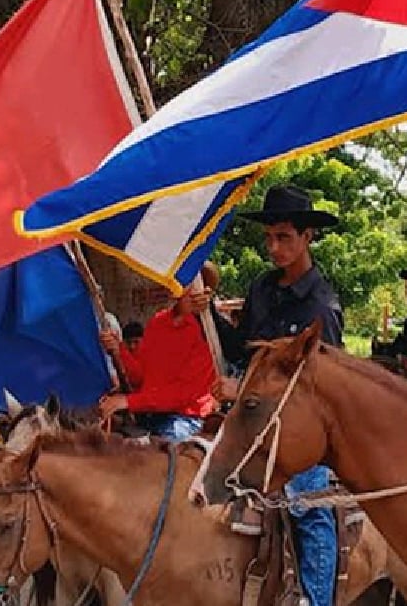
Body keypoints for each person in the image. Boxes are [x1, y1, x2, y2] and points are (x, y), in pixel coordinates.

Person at [214, 184, 341, 606]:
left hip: (300, 430)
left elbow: (324, 383)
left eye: (284, 237)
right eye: (269, 237)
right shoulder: (262, 289)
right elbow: (241, 347)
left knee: (308, 506)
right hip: (254, 422)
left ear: (307, 237)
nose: (273, 247)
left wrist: (245, 391)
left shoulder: (321, 306)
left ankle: (316, 599)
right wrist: (208, 315)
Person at [98, 285, 216, 442]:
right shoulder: (158, 322)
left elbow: (182, 394)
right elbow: (141, 377)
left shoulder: (207, 330)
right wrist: (118, 351)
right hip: (150, 414)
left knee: (164, 453)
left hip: (187, 418)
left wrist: (128, 402)